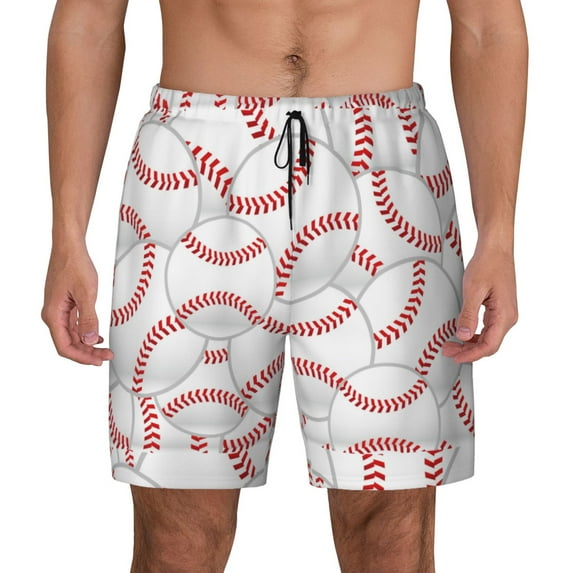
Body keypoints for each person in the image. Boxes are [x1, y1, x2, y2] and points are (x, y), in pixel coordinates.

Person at [42, 0, 527, 571]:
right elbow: (89, 23)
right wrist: (66, 235)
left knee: (390, 530)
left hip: (385, 169)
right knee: (177, 535)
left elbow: (487, 25)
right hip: (193, 163)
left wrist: (499, 235)